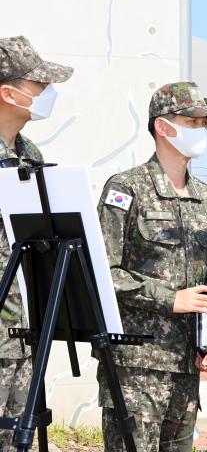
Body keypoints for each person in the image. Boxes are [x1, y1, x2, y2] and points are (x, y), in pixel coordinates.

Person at [96, 82, 207, 451]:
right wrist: (169, 299)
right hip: (135, 366)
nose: (200, 129)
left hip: (187, 365)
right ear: (163, 126)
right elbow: (100, 272)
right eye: (191, 120)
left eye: (203, 122)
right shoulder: (126, 189)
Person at [0, 35, 73, 448]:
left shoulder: (31, 156)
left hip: (25, 331)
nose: (48, 94)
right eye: (39, 86)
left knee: (17, 439)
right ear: (8, 92)